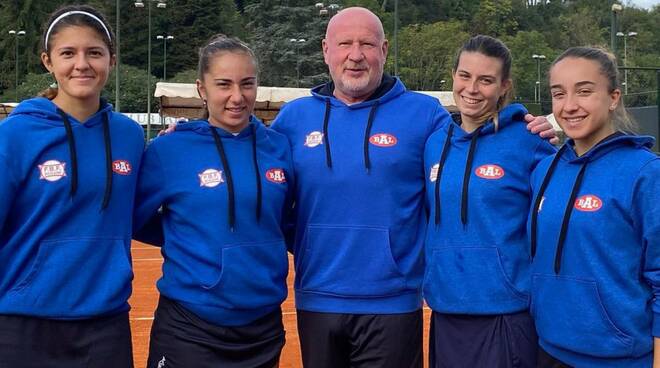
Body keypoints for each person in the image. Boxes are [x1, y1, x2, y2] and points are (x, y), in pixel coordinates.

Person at [271, 7, 557, 367]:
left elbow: (474, 143)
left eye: (367, 44)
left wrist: (527, 126)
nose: (355, 55)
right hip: (316, 299)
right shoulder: (292, 119)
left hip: (395, 302)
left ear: (385, 49)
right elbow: (263, 192)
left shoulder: (427, 116)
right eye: (345, 43)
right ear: (326, 49)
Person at [133, 34, 294, 368]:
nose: (237, 97)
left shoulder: (279, 148)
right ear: (201, 89)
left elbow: (287, 217)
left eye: (247, 84)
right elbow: (133, 216)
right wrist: (188, 234)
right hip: (189, 327)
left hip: (262, 327)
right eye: (224, 84)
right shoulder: (169, 150)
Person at [0, 5, 143, 367]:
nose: (82, 64)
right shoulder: (17, 133)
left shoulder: (129, 135)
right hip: (24, 323)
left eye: (94, 52)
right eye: (68, 53)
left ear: (111, 59)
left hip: (106, 323)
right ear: (48, 61)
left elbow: (148, 210)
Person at [423, 35, 555, 368]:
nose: (472, 88)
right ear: (453, 75)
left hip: (506, 313)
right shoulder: (435, 144)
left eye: (486, 80)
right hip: (446, 309)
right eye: (465, 76)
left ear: (504, 86)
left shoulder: (531, 142)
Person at [529, 46, 659, 367]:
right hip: (548, 348)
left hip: (618, 358)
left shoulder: (645, 173)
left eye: (584, 91)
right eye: (559, 94)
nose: (569, 106)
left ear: (614, 97)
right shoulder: (545, 170)